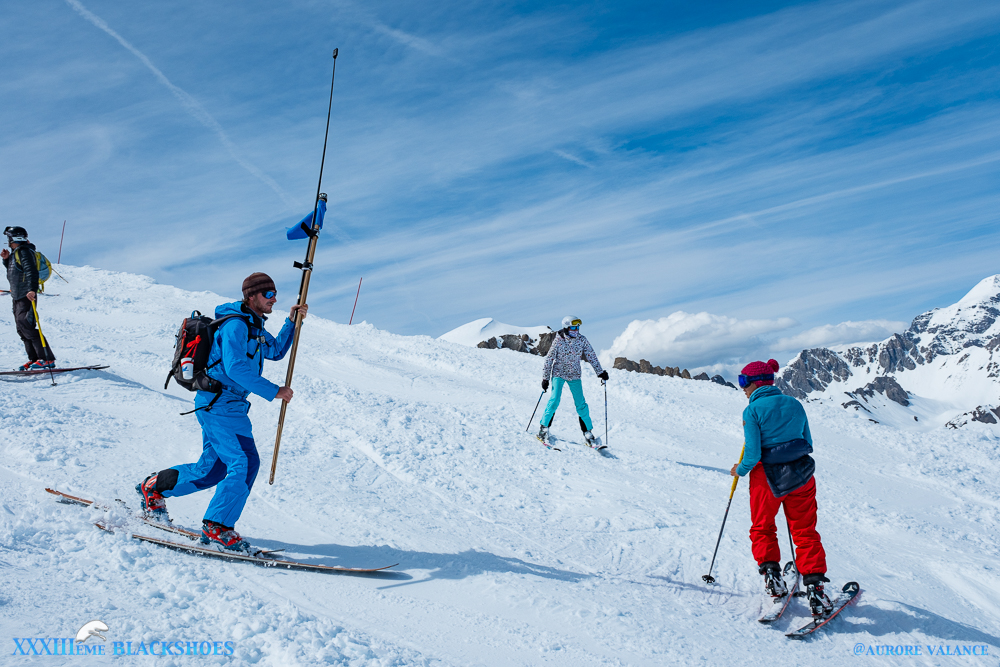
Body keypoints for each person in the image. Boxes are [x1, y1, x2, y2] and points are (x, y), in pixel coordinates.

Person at [136, 272, 306, 552]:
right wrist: (274, 391)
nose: (274, 299)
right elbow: (235, 368)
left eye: (275, 294)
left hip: (228, 405)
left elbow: (275, 351)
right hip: (219, 404)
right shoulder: (235, 325)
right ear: (251, 296)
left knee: (212, 470)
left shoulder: (253, 325)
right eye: (268, 294)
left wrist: (291, 322)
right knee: (244, 462)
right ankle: (218, 527)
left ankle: (153, 488)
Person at [730, 359, 832, 617]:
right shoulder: (795, 404)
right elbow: (807, 441)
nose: (742, 388)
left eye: (744, 381)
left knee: (762, 527)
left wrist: (739, 469)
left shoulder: (751, 411)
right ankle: (816, 590)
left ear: (757, 383)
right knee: (805, 530)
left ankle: (773, 578)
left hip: (766, 479)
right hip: (801, 475)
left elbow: (753, 454)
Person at [538, 316, 609, 446]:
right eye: (573, 327)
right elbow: (549, 359)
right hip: (559, 374)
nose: (576, 330)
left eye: (577, 327)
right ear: (566, 328)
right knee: (554, 400)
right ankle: (544, 428)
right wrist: (545, 378)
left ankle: (588, 433)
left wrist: (600, 372)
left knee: (581, 404)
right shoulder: (558, 340)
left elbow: (591, 355)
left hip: (575, 375)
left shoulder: (582, 340)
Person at [1, 226, 56, 370]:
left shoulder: (24, 251)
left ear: (16, 238)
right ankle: (35, 359)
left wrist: (32, 289)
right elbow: (16, 272)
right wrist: (6, 260)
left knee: (27, 325)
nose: (8, 242)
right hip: (17, 295)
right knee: (21, 328)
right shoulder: (16, 253)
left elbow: (31, 271)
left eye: (9, 238)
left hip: (27, 295)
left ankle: (47, 359)